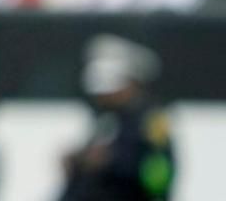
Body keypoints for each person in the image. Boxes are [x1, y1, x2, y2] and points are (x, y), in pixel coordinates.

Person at [61, 37, 175, 201]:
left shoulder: (151, 119)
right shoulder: (107, 118)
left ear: (130, 84)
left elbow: (157, 172)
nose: (101, 97)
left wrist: (111, 162)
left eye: (109, 91)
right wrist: (78, 162)